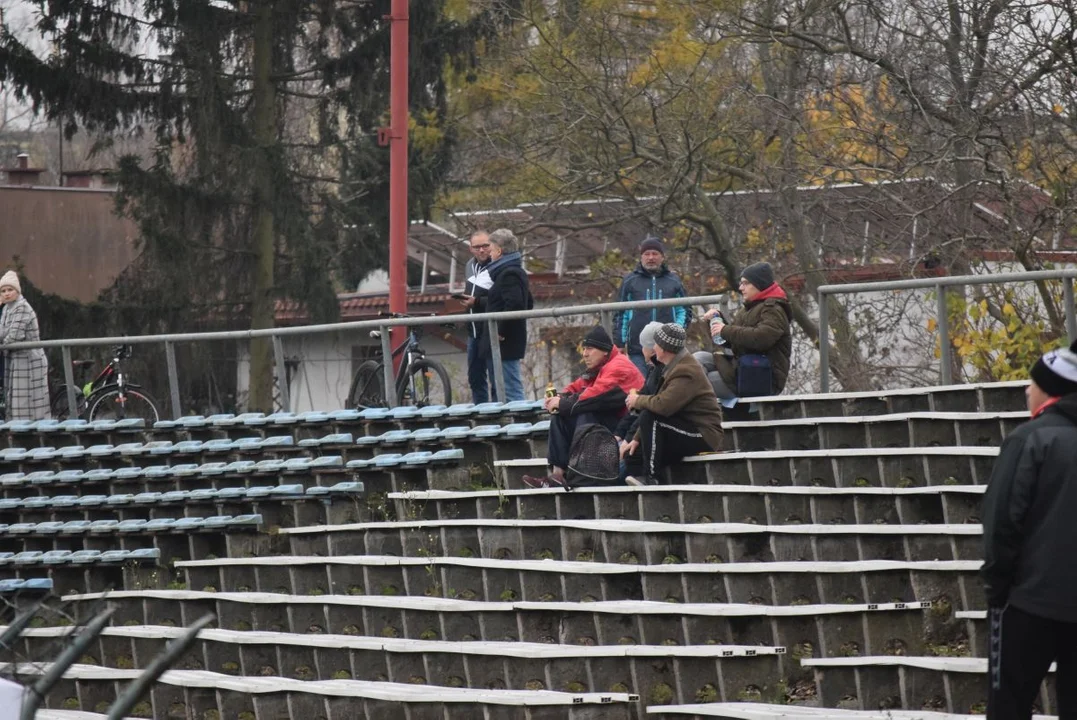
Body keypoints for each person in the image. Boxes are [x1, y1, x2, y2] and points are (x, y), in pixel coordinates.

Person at [981, 340, 1077, 718]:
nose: (1026, 389)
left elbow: (1002, 522)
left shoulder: (1030, 439)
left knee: (1010, 705)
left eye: (1032, 382)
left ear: (1051, 390)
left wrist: (997, 589)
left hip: (1027, 603)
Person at [522, 325, 644, 488]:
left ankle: (581, 473)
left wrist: (563, 403)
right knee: (560, 414)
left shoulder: (619, 366)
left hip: (625, 428)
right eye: (584, 348)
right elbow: (578, 386)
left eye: (590, 349)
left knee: (584, 413)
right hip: (611, 424)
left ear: (604, 351)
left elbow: (594, 396)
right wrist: (560, 397)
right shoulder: (600, 365)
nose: (584, 353)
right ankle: (557, 476)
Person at [622, 323, 723, 486]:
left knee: (650, 417)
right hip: (681, 428)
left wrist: (637, 400)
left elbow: (663, 405)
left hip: (702, 433)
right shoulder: (672, 366)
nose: (653, 348)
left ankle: (652, 478)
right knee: (633, 455)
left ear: (664, 348)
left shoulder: (686, 370)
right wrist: (636, 438)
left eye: (656, 344)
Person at [695, 262, 792, 400]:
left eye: (745, 283)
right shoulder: (749, 308)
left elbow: (761, 339)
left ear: (759, 284)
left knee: (700, 382)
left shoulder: (774, 309)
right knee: (698, 359)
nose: (740, 288)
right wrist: (716, 321)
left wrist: (725, 330)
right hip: (742, 369)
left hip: (761, 377)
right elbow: (733, 340)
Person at [612, 235, 693, 376]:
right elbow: (621, 314)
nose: (651, 257)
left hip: (668, 349)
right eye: (646, 254)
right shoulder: (630, 281)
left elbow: (684, 310)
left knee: (667, 385)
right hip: (638, 349)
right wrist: (620, 342)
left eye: (655, 254)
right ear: (641, 257)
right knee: (642, 387)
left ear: (662, 257)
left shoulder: (673, 281)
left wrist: (676, 331)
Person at [482, 228, 531, 402]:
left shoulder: (509, 273)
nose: (489, 254)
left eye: (492, 249)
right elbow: (528, 302)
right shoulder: (514, 271)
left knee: (511, 388)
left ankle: (521, 425)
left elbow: (516, 304)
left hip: (505, 341)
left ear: (499, 251)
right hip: (506, 340)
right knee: (506, 386)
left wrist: (500, 330)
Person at [0, 271, 50, 421]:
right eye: (3, 291)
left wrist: (2, 345)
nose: (7, 294)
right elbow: (2, 333)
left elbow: (15, 336)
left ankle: (33, 436)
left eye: (10, 290)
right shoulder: (8, 309)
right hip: (16, 359)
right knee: (17, 401)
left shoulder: (21, 307)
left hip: (29, 360)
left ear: (17, 291)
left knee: (28, 402)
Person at [614, 321, 666, 443]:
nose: (642, 350)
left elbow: (647, 410)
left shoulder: (660, 372)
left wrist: (628, 439)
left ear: (653, 349)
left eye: (643, 346)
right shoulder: (653, 370)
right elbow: (636, 408)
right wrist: (619, 433)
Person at [461, 230, 497, 402]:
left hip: (490, 330)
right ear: (471, 249)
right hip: (473, 330)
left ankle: (501, 414)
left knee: (496, 377)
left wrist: (476, 302)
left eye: (485, 246)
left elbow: (500, 298)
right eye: (477, 247)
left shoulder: (498, 265)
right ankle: (482, 415)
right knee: (475, 377)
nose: (482, 250)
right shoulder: (469, 266)